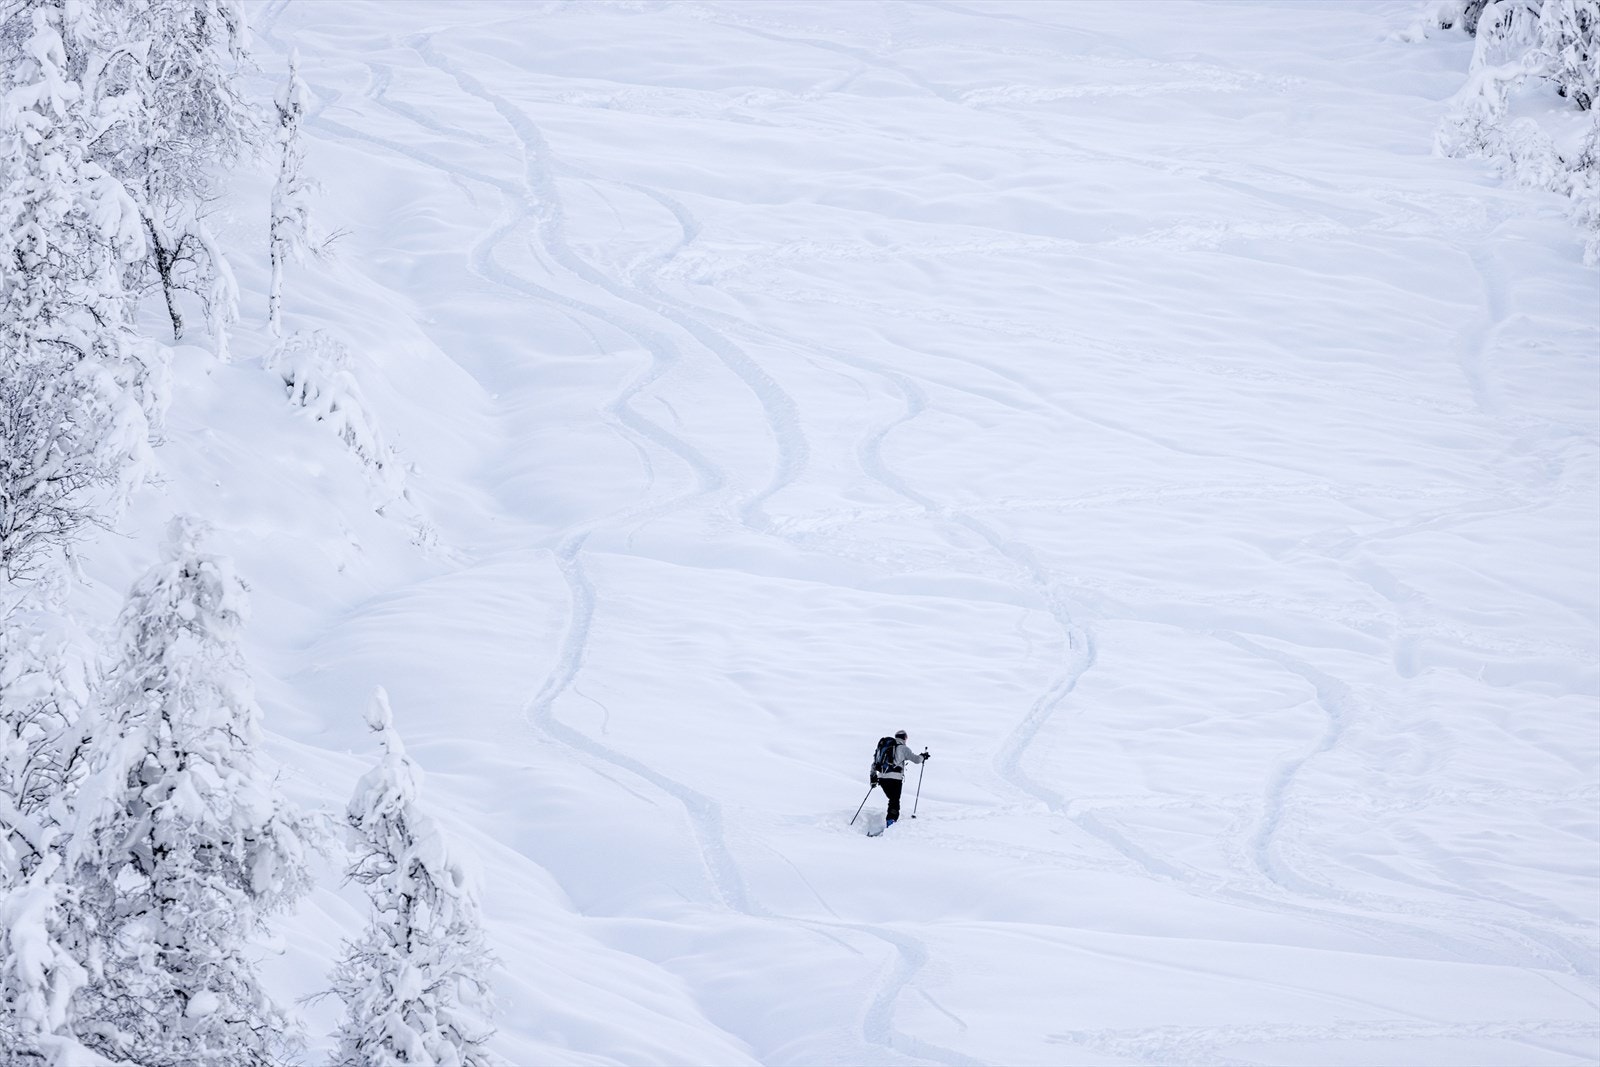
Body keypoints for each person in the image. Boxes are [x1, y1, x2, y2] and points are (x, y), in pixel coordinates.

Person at [871, 729, 928, 827]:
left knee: (892, 799)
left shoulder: (884, 747)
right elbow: (917, 760)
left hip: (881, 778)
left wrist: (873, 777)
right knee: (894, 800)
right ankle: (891, 822)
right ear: (905, 738)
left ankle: (891, 820)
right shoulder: (903, 748)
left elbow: (874, 763)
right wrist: (923, 756)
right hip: (895, 779)